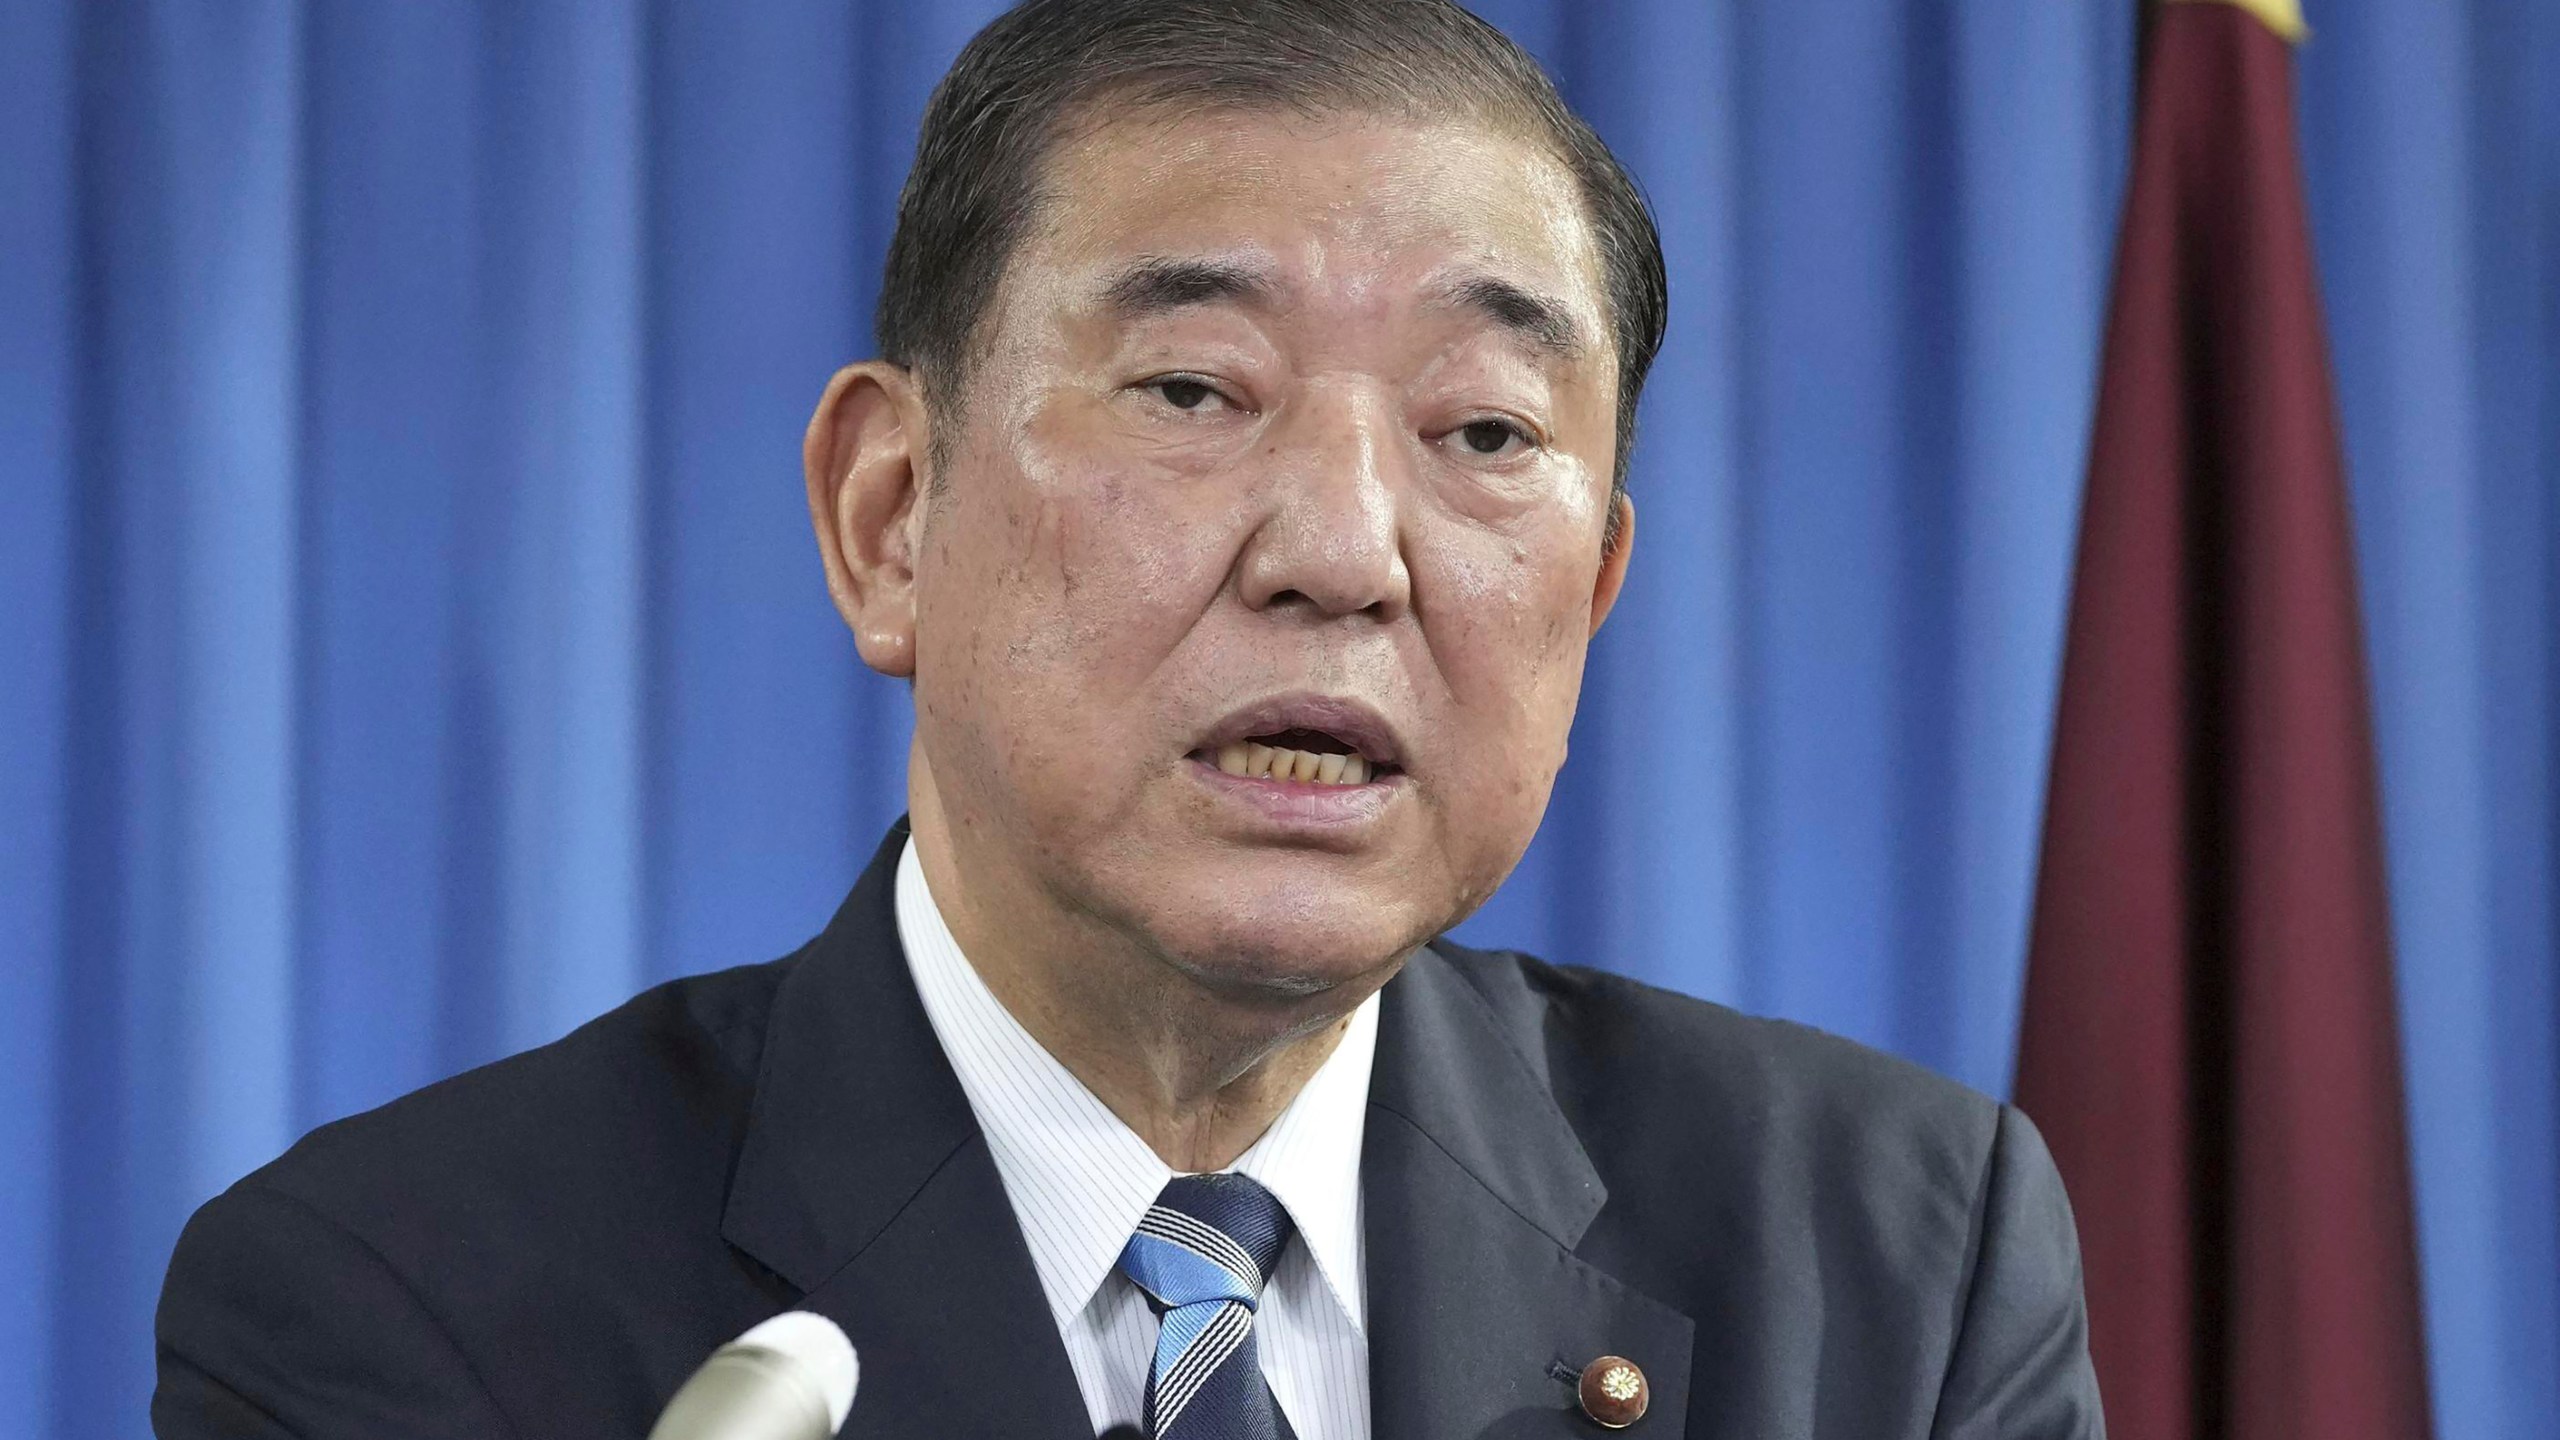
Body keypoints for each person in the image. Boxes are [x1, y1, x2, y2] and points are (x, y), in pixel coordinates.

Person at [153, 2, 2104, 1437]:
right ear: (888, 519)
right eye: (1192, 390)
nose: (1345, 552)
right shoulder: (397, 1312)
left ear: (1591, 591)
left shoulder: (1891, 1267)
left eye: (1483, 433)